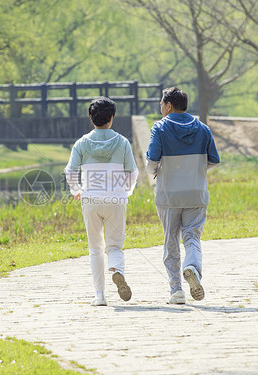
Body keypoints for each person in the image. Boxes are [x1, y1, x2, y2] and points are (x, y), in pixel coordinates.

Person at [146, 87, 219, 304]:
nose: (160, 108)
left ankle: (176, 291)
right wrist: (195, 171)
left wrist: (155, 172)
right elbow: (214, 160)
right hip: (196, 194)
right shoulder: (203, 129)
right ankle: (192, 268)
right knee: (192, 237)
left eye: (161, 104)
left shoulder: (159, 128)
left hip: (168, 195)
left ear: (168, 106)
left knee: (170, 241)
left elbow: (151, 162)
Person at [65, 97, 139, 306]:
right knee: (115, 246)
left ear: (91, 118)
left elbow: (70, 171)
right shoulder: (122, 142)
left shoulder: (82, 143)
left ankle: (100, 296)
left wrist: (76, 190)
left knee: (95, 248)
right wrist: (126, 191)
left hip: (90, 199)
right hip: (116, 199)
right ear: (112, 118)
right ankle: (117, 269)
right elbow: (133, 173)